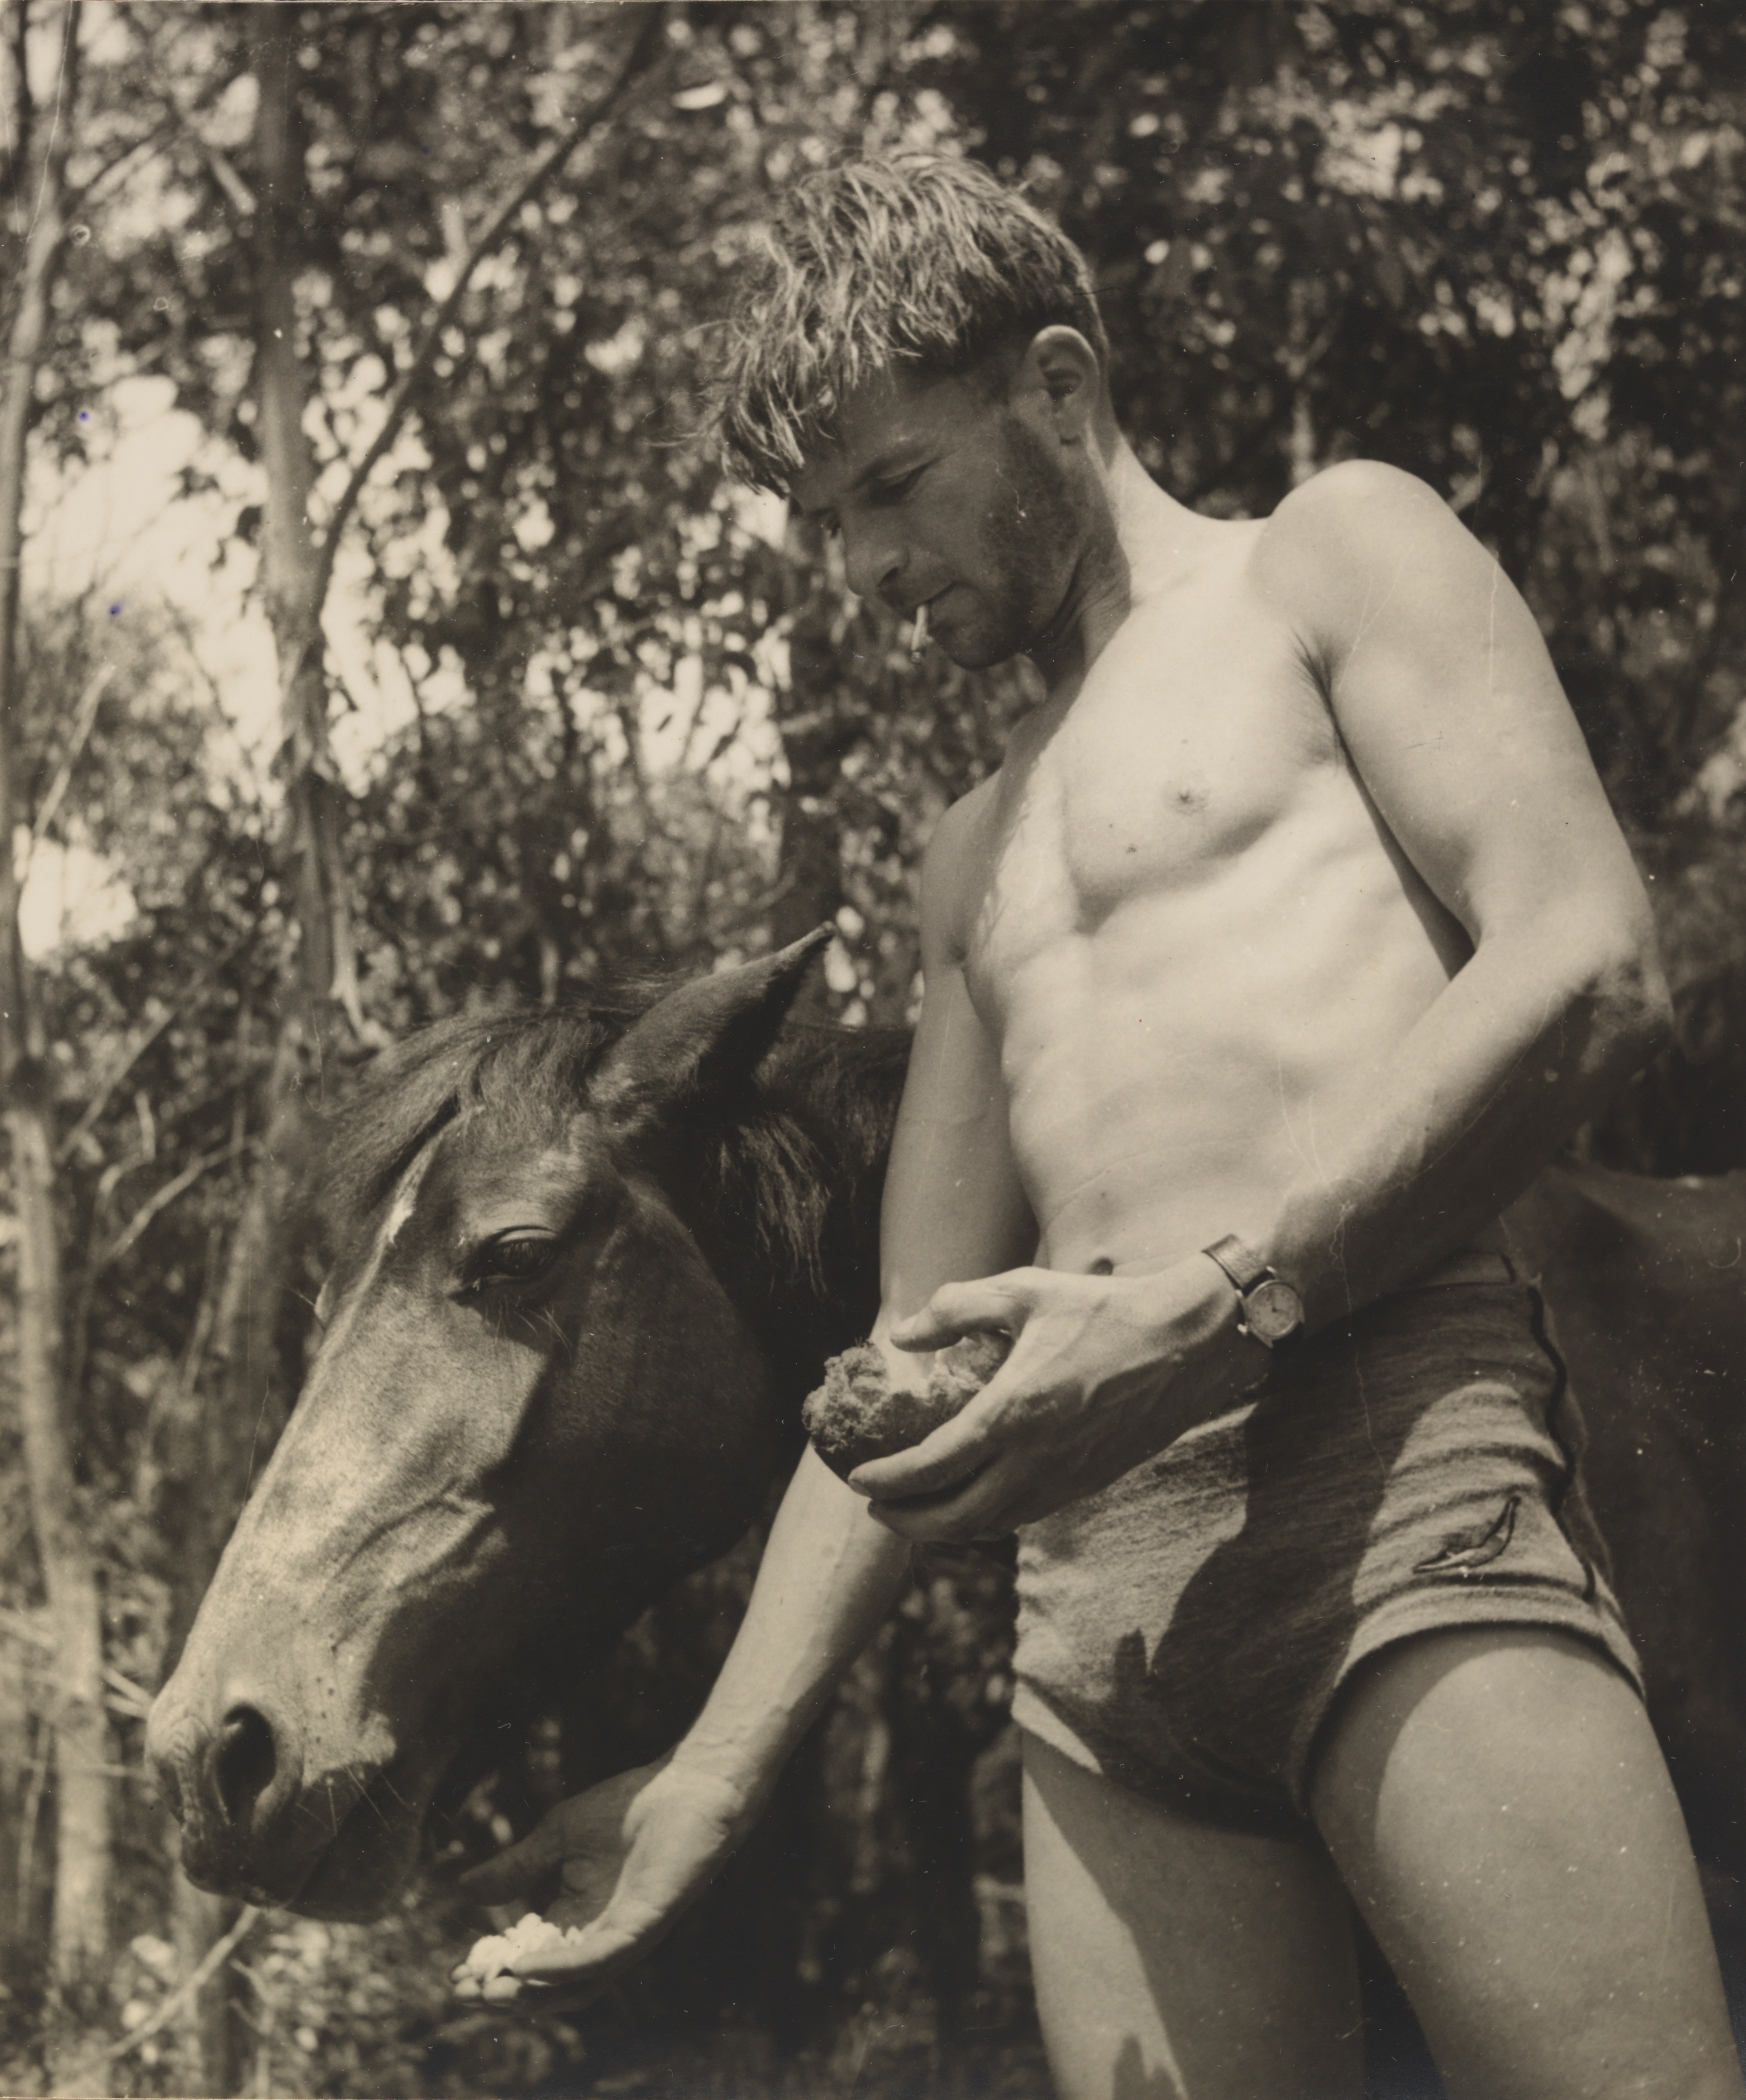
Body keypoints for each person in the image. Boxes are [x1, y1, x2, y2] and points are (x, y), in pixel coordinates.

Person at [458, 156, 1742, 2099]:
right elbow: (905, 1352)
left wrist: (1213, 1310)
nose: (861, 571)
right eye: (821, 526)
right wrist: (708, 1779)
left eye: (886, 488)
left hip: (1389, 1480)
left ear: (1057, 385)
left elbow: (1584, 954)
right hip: (1095, 1636)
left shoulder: (1331, 554)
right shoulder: (965, 851)